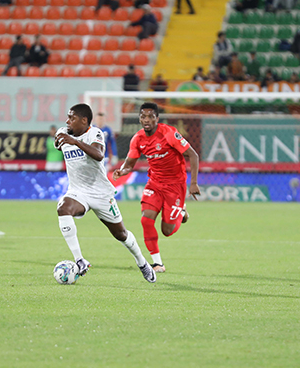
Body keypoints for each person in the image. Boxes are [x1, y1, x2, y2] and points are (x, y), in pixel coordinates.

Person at [53, 104, 156, 282]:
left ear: (84, 120)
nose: (67, 121)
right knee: (63, 208)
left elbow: (99, 154)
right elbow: (58, 144)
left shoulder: (96, 133)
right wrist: (59, 142)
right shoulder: (64, 132)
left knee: (121, 234)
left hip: (101, 194)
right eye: (68, 117)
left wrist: (76, 142)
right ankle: (79, 260)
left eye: (72, 118)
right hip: (78, 191)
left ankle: (142, 263)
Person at [113, 102, 200, 274]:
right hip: (154, 183)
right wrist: (122, 171)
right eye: (143, 116)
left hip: (175, 185)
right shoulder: (137, 139)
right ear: (139, 118)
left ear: (157, 119)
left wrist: (194, 183)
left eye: (150, 117)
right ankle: (157, 263)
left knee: (166, 231)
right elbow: (130, 164)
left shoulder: (169, 133)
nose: (146, 120)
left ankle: (181, 212)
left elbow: (193, 155)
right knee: (146, 220)